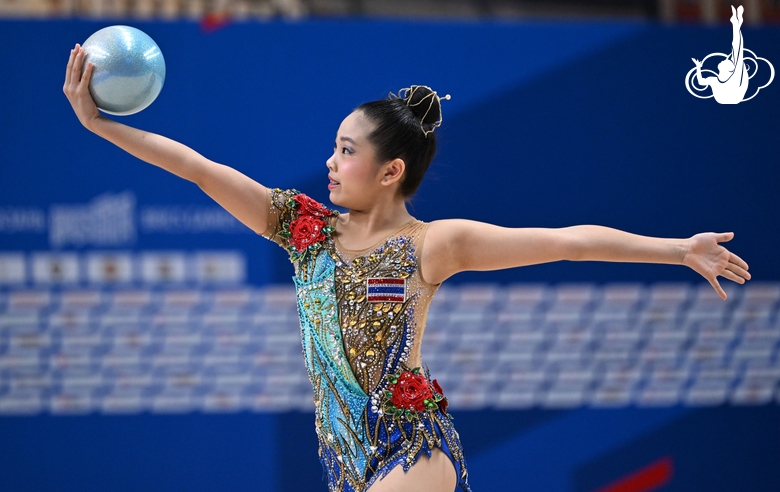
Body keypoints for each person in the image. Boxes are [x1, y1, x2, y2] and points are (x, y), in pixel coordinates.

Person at [63, 44, 751, 492]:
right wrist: (100, 127)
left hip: (411, 449)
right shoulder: (303, 231)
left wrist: (676, 248)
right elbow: (195, 167)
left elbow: (568, 240)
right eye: (331, 148)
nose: (330, 162)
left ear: (390, 171)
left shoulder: (435, 245)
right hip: (343, 459)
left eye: (345, 150)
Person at [692, 5, 748, 104]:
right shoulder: (713, 80)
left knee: (737, 51)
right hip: (725, 100)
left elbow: (737, 48)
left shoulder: (735, 78)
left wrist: (736, 27)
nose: (725, 59)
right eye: (728, 60)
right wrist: (698, 67)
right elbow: (700, 82)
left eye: (728, 61)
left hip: (733, 98)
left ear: (730, 69)